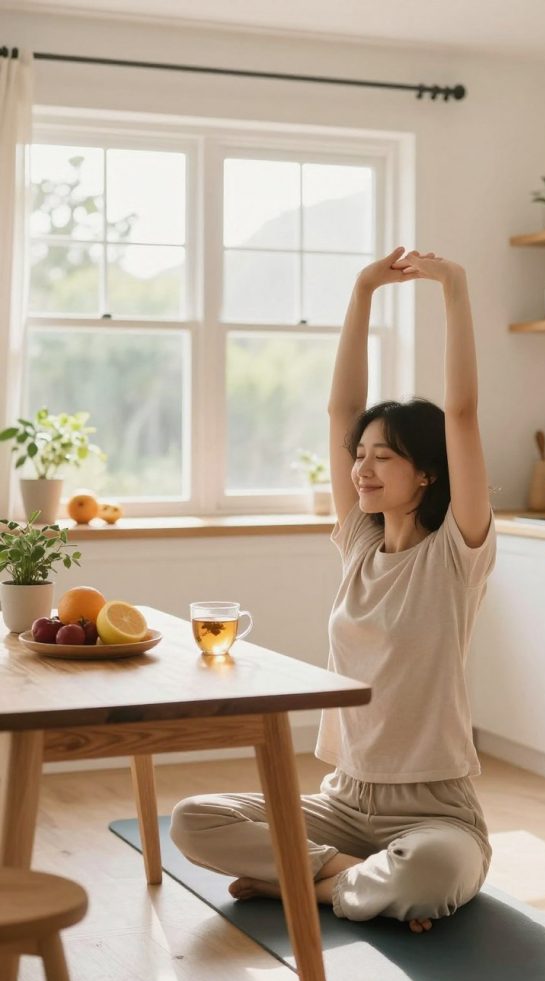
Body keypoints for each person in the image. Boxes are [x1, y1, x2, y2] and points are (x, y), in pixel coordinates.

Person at [170, 246, 496, 934]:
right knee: (193, 820)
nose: (361, 468)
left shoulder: (455, 555)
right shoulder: (357, 542)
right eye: (358, 455)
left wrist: (455, 288)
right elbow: (339, 407)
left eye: (383, 456)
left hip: (433, 809)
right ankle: (349, 880)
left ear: (428, 473)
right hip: (342, 802)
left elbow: (461, 415)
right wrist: (359, 293)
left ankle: (308, 880)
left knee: (429, 871)